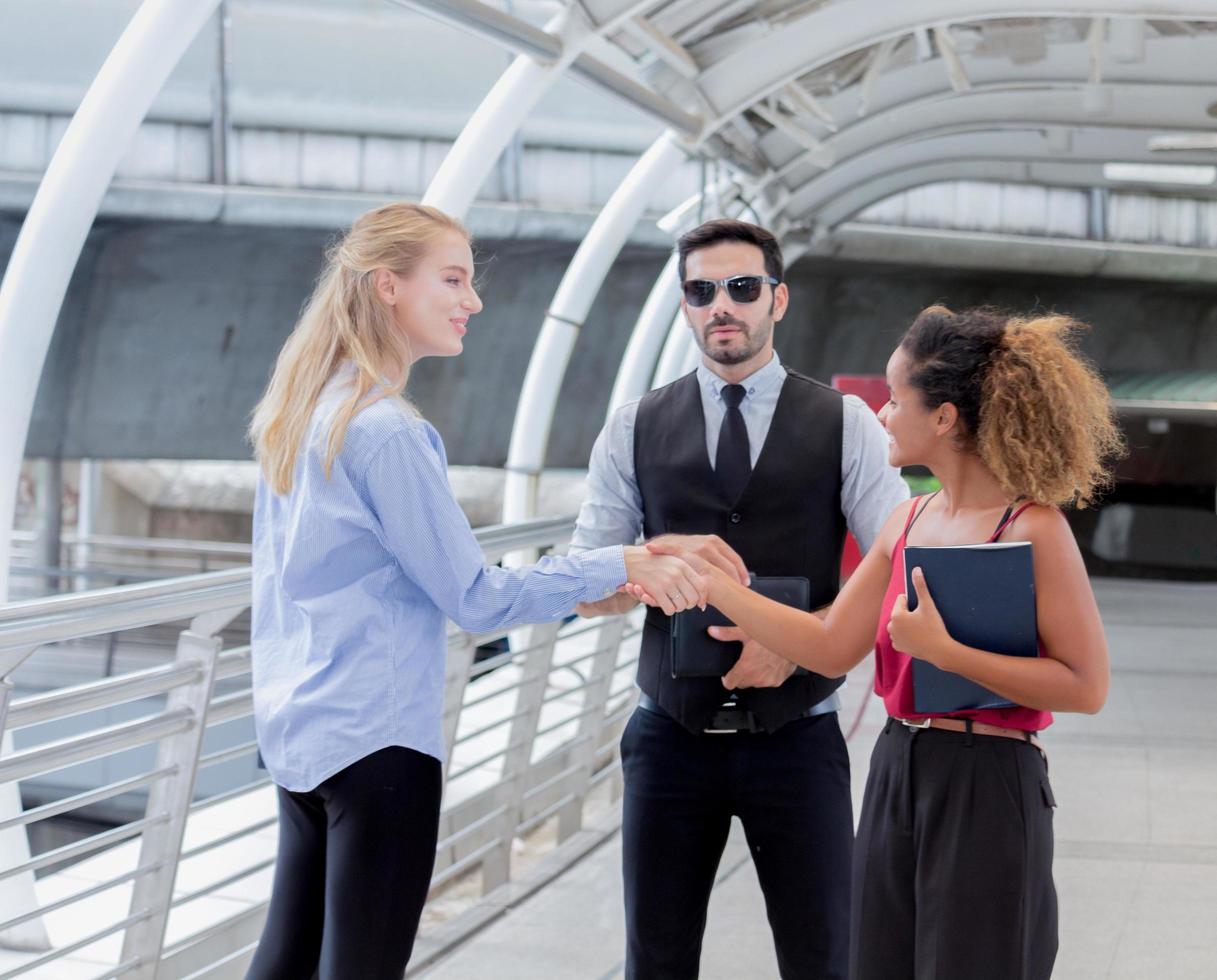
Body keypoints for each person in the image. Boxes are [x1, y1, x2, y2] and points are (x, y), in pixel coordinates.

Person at [244, 202, 709, 980]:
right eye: (453, 279)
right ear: (387, 287)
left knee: (285, 961)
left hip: (304, 728)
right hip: (379, 738)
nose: (474, 301)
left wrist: (584, 588)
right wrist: (618, 564)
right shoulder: (386, 431)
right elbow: (475, 598)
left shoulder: (304, 413)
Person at [646, 305, 1122, 980]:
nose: (880, 416)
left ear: (944, 419)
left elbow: (1086, 686)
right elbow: (829, 645)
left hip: (988, 781)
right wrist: (712, 585)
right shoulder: (906, 518)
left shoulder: (1032, 528)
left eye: (895, 401)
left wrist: (945, 650)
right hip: (897, 765)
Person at [572, 218, 909, 979]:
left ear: (776, 300)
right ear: (685, 305)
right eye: (701, 291)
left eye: (742, 288)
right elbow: (586, 590)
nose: (722, 305)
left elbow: (896, 563)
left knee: (824, 957)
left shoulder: (844, 422)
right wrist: (648, 562)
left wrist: (802, 640)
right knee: (654, 962)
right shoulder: (631, 426)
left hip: (799, 740)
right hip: (667, 739)